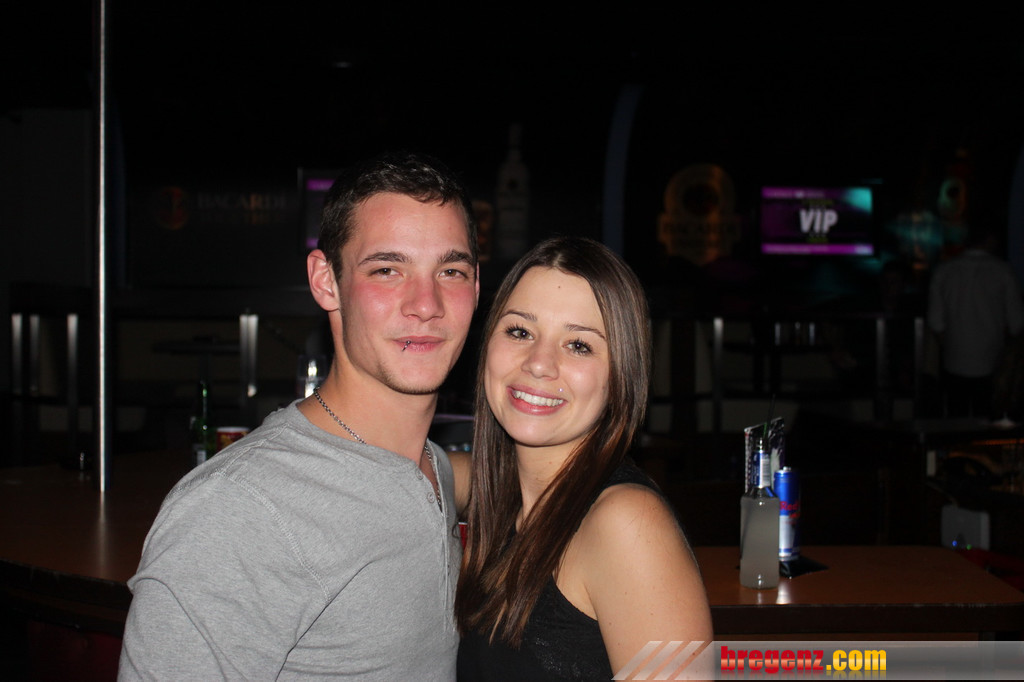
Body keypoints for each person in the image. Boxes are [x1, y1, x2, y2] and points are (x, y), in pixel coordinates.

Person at [119, 151, 480, 680]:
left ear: (476, 286)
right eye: (387, 269)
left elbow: (477, 476)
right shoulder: (237, 511)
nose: (426, 304)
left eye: (451, 271)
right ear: (326, 280)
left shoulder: (430, 469)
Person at [453, 236, 713, 681]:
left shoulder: (625, 524)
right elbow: (421, 467)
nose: (539, 363)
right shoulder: (504, 497)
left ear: (620, 376)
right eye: (520, 331)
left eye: (578, 345)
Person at [927, 225, 1024, 418]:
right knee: (987, 422)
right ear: (991, 240)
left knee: (956, 422)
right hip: (993, 364)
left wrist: (953, 344)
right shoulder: (1003, 271)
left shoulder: (944, 271)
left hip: (954, 363)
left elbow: (935, 322)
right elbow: (1017, 324)